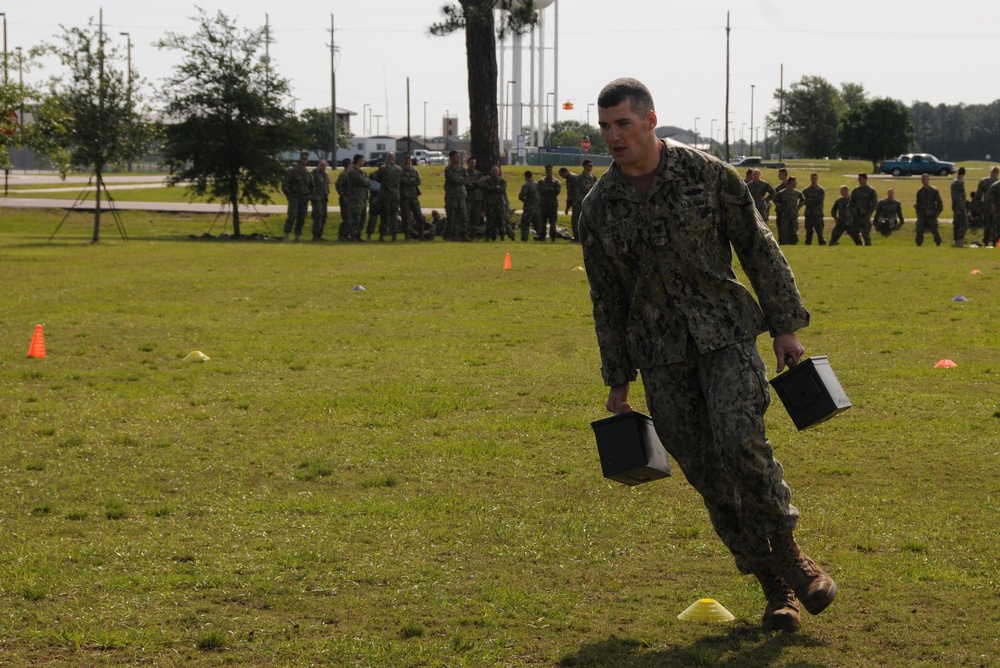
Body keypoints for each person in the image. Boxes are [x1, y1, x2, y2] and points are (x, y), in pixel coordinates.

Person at [580, 78, 835, 634]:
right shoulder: (599, 208)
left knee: (740, 437)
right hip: (661, 356)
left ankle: (792, 552)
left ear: (650, 119)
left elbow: (757, 244)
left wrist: (786, 326)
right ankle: (774, 587)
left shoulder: (706, 173)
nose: (613, 137)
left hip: (726, 334)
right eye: (605, 127)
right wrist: (618, 378)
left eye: (623, 123)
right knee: (707, 474)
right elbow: (607, 299)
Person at [281, 151, 313, 242]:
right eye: (303, 159)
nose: (304, 161)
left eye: (306, 159)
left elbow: (312, 186)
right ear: (300, 159)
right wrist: (289, 196)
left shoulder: (308, 174)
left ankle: (297, 236)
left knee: (301, 217)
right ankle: (286, 235)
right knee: (292, 216)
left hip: (304, 199)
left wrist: (309, 196)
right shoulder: (293, 171)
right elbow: (285, 184)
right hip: (294, 198)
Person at [374, 152, 403, 241]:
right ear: (394, 158)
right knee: (394, 214)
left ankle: (382, 235)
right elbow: (400, 180)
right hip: (395, 194)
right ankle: (394, 235)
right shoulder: (399, 169)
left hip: (385, 194)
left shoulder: (383, 168)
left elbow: (378, 179)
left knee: (384, 215)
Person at [444, 150, 470, 241]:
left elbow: (467, 179)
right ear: (451, 158)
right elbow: (453, 179)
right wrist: (461, 179)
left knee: (463, 216)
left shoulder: (462, 169)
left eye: (458, 156)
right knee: (452, 217)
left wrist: (461, 179)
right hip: (452, 196)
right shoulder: (448, 169)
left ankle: (463, 235)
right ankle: (451, 235)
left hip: (461, 196)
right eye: (456, 156)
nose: (458, 158)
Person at [483, 165, 512, 241]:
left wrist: (494, 188)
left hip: (500, 204)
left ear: (499, 172)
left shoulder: (502, 181)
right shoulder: (487, 181)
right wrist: (496, 187)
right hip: (490, 204)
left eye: (496, 171)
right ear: (491, 171)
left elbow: (502, 189)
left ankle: (502, 236)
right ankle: (488, 236)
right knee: (489, 221)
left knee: (501, 220)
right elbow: (488, 188)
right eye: (493, 171)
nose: (495, 172)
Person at [914, 174, 944, 246]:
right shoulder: (919, 191)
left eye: (925, 179)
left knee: (934, 230)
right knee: (920, 229)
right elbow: (918, 203)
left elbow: (939, 202)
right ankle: (919, 243)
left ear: (928, 179)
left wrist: (938, 211)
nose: (924, 180)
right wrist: (918, 213)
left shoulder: (934, 190)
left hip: (931, 214)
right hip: (922, 214)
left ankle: (938, 242)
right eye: (923, 179)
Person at [346, 154, 371, 241]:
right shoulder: (353, 171)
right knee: (355, 216)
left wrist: (366, 181)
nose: (363, 162)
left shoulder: (362, 172)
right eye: (362, 160)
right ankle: (353, 235)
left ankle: (358, 234)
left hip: (363, 197)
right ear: (358, 161)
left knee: (362, 217)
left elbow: (368, 182)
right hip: (356, 198)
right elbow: (362, 181)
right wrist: (366, 181)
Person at [849, 173, 878, 246]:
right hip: (856, 215)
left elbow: (875, 204)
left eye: (861, 179)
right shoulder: (855, 190)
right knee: (854, 232)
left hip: (865, 215)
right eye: (859, 179)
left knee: (866, 233)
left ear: (865, 179)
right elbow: (851, 202)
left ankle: (868, 246)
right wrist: (850, 211)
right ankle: (859, 245)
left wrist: (869, 213)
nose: (859, 180)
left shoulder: (871, 191)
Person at [774, 176, 804, 245]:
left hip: (794, 214)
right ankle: (784, 242)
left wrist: (798, 207)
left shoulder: (797, 193)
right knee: (785, 229)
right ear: (790, 182)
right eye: (794, 182)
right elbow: (775, 200)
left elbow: (803, 199)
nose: (796, 183)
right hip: (785, 214)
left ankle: (793, 242)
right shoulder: (782, 193)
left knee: (794, 229)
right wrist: (780, 207)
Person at [399, 155, 424, 240]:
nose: (408, 159)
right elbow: (401, 181)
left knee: (419, 215)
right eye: (406, 158)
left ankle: (421, 234)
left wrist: (410, 181)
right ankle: (407, 235)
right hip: (404, 196)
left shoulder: (414, 170)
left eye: (409, 158)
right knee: (406, 216)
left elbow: (418, 181)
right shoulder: (400, 170)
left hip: (414, 196)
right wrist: (411, 181)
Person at [536, 164, 562, 242]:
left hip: (553, 205)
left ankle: (553, 237)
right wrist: (550, 189)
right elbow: (541, 190)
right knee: (542, 222)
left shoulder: (556, 181)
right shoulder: (541, 181)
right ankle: (542, 237)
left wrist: (548, 190)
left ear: (552, 171)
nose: (548, 172)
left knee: (553, 223)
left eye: (550, 170)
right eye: (547, 170)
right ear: (545, 171)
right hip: (543, 205)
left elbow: (557, 191)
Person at [576, 159, 599, 243]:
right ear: (584, 166)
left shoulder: (593, 177)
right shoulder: (580, 177)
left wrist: (591, 186)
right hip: (582, 199)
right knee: (579, 219)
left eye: (591, 166)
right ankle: (578, 237)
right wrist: (592, 186)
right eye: (589, 165)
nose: (591, 167)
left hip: (591, 201)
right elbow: (583, 188)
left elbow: (597, 188)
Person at [975, 166, 999, 244]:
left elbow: (978, 195)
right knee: (996, 224)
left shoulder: (983, 181)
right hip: (997, 207)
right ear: (997, 173)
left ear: (991, 172)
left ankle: (986, 241)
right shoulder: (998, 182)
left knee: (987, 224)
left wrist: (980, 206)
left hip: (986, 206)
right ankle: (995, 241)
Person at [801, 173, 826, 246]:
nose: (814, 180)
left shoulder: (821, 190)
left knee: (819, 231)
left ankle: (822, 244)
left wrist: (810, 200)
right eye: (812, 178)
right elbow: (804, 201)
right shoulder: (806, 190)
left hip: (818, 213)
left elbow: (820, 201)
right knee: (809, 231)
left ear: (817, 179)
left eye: (815, 178)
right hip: (809, 214)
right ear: (810, 179)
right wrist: (812, 200)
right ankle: (808, 244)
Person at [465, 156, 486, 238]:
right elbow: (467, 184)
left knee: (475, 218)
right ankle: (465, 235)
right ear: (468, 163)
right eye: (471, 163)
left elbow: (482, 182)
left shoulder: (479, 174)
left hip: (477, 199)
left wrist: (475, 183)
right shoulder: (465, 173)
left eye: (474, 163)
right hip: (468, 199)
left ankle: (473, 235)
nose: (473, 165)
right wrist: (474, 183)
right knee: (466, 217)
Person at [310, 159, 330, 241]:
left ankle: (319, 234)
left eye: (324, 165)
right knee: (318, 215)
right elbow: (310, 185)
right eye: (321, 165)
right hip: (317, 198)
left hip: (324, 198)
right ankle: (315, 235)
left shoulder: (325, 175)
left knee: (323, 216)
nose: (323, 167)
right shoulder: (314, 174)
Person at [559, 166, 581, 242]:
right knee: (575, 220)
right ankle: (577, 236)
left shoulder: (573, 178)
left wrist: (575, 201)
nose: (562, 177)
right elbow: (569, 194)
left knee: (575, 220)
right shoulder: (569, 179)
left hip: (578, 202)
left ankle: (578, 237)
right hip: (574, 202)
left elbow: (576, 190)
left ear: (565, 172)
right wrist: (567, 207)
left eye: (562, 175)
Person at [334, 158, 353, 241]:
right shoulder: (343, 174)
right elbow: (338, 186)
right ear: (348, 164)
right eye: (350, 163)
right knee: (346, 218)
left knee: (350, 218)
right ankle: (341, 235)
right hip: (345, 199)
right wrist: (343, 196)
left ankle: (346, 234)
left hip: (350, 199)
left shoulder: (349, 174)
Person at [518, 170, 539, 242]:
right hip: (537, 207)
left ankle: (524, 238)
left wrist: (525, 201)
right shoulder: (537, 184)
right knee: (537, 224)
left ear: (525, 177)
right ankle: (541, 236)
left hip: (528, 207)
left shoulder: (526, 185)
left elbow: (521, 196)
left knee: (524, 223)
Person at [950, 167, 969, 247]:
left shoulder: (953, 182)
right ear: (964, 173)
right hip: (960, 207)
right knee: (964, 224)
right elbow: (959, 197)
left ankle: (957, 242)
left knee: (957, 224)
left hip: (955, 206)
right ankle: (960, 241)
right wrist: (960, 208)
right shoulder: (960, 183)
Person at [984, 178, 1000, 248]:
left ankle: (997, 244)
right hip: (993, 208)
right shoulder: (996, 185)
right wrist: (992, 207)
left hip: (997, 208)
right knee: (992, 226)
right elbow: (989, 197)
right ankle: (988, 242)